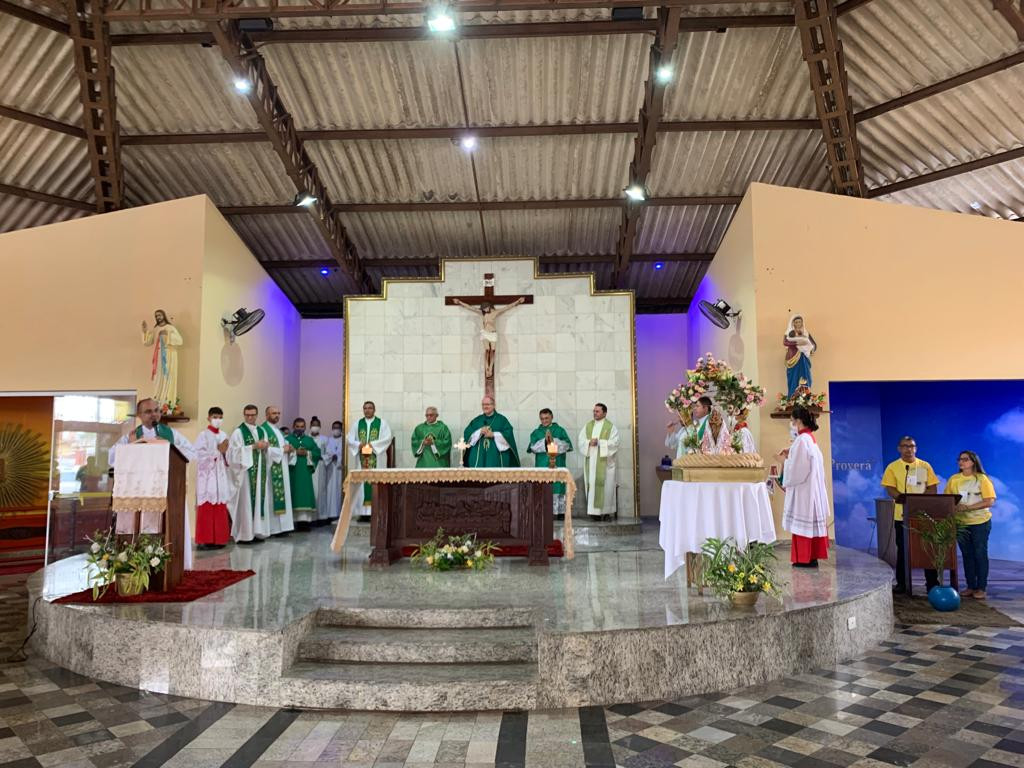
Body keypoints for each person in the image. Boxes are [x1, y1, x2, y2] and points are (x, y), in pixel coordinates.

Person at [108, 397, 196, 567]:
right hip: (141, 491)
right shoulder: (132, 436)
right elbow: (113, 457)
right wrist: (132, 446)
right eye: (148, 412)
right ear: (140, 415)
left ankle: (174, 563)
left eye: (156, 410)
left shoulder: (171, 434)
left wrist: (171, 447)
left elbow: (191, 452)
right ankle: (139, 564)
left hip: (168, 490)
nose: (153, 414)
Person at [881, 435, 939, 594]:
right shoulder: (893, 467)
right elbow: (890, 489)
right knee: (903, 551)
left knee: (927, 549)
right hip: (902, 517)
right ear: (899, 449)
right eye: (905, 446)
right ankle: (902, 584)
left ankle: (932, 584)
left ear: (916, 448)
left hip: (923, 516)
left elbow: (932, 488)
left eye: (912, 446)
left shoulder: (924, 466)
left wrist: (919, 502)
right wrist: (903, 499)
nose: (908, 449)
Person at [779, 405, 829, 567]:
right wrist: (790, 454)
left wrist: (785, 462)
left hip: (804, 491)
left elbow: (798, 469)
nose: (792, 424)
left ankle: (804, 558)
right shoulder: (809, 439)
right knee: (810, 524)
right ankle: (811, 556)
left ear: (799, 421)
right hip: (811, 489)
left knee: (802, 524)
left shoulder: (802, 440)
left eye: (792, 421)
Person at [944, 451, 996, 600]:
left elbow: (989, 501)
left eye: (965, 459)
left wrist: (967, 508)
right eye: (959, 459)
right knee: (967, 555)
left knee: (980, 554)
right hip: (961, 524)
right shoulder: (954, 479)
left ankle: (981, 587)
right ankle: (970, 586)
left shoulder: (981, 479)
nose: (961, 462)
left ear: (973, 462)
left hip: (980, 522)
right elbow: (948, 499)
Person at [453, 297, 526, 379]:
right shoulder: (482, 313)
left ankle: (490, 368)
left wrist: (518, 301)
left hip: (493, 334)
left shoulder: (495, 312)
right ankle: (486, 368)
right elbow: (470, 308)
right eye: (483, 309)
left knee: (493, 352)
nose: (484, 310)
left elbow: (507, 307)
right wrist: (459, 302)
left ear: (489, 306)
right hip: (484, 333)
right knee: (487, 350)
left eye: (485, 308)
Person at [228, 404, 270, 543]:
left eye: (253, 415)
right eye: (247, 415)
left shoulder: (262, 430)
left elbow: (265, 446)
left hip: (259, 472)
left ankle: (258, 532)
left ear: (257, 415)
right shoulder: (238, 432)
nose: (250, 417)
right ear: (244, 415)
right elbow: (233, 453)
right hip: (246, 472)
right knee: (246, 502)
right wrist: (253, 446)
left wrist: (265, 447)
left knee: (259, 500)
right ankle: (246, 534)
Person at [346, 401, 393, 518]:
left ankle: (376, 512)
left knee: (375, 484)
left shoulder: (382, 423)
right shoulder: (357, 424)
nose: (367, 410)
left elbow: (388, 438)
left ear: (374, 409)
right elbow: (349, 439)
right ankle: (363, 513)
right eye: (365, 408)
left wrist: (373, 445)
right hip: (362, 461)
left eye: (370, 408)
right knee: (362, 485)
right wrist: (358, 444)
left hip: (377, 459)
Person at [195, 406, 231, 548]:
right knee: (207, 506)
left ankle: (220, 539)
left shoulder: (224, 435)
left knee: (220, 505)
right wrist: (217, 452)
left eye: (220, 417)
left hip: (220, 475)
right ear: (209, 418)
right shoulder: (203, 435)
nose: (218, 420)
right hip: (207, 477)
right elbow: (198, 455)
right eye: (215, 417)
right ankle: (205, 540)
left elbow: (230, 457)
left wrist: (225, 453)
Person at [527, 409, 573, 518]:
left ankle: (560, 512)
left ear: (552, 417)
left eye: (546, 418)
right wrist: (545, 442)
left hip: (558, 464)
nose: (544, 421)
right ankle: (544, 512)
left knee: (558, 486)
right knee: (544, 486)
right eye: (542, 418)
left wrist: (554, 442)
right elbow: (533, 447)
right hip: (542, 464)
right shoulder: (536, 432)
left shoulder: (560, 430)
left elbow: (567, 445)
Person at [579, 403, 619, 519]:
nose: (595, 413)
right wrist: (588, 443)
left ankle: (606, 512)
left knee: (606, 487)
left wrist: (600, 443)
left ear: (604, 413)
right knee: (592, 486)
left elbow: (615, 443)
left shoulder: (610, 427)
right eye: (594, 411)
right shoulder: (588, 426)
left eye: (597, 411)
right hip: (591, 463)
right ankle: (594, 513)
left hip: (604, 464)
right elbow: (581, 441)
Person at [262, 406, 295, 536]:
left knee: (283, 496)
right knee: (271, 497)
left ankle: (283, 528)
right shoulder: (264, 430)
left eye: (278, 413)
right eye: (273, 413)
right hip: (272, 469)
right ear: (267, 415)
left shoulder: (277, 430)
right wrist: (283, 450)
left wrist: (290, 448)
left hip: (282, 467)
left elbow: (283, 445)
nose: (276, 415)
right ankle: (274, 528)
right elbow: (265, 449)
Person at [464, 396, 520, 467]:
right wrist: (479, 432)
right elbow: (467, 433)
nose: (485, 406)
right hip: (479, 458)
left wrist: (494, 434)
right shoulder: (477, 420)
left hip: (495, 457)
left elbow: (509, 435)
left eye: (487, 404)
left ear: (493, 405)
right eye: (483, 404)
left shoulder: (502, 420)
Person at [286, 417, 322, 528]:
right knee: (293, 494)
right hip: (292, 472)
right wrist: (295, 452)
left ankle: (304, 522)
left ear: (305, 427)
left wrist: (307, 452)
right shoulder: (287, 439)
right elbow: (283, 452)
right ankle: (291, 523)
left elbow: (317, 453)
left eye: (302, 427)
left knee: (305, 495)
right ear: (293, 427)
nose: (300, 429)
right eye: (297, 426)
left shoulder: (309, 440)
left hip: (305, 473)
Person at [784, 314, 816, 397]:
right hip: (793, 358)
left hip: (804, 358)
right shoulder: (789, 333)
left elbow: (814, 344)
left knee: (805, 376)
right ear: (793, 323)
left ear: (802, 323)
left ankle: (805, 396)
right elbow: (785, 342)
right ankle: (792, 396)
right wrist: (797, 343)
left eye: (799, 322)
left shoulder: (806, 333)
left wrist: (811, 349)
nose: (798, 324)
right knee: (793, 378)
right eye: (796, 322)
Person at [320, 421, 345, 521]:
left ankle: (339, 513)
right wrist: (330, 457)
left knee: (339, 491)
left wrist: (338, 458)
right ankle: (329, 515)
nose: (336, 429)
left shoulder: (344, 441)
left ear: (341, 429)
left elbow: (346, 455)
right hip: (329, 469)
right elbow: (323, 453)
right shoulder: (328, 440)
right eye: (334, 427)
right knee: (329, 492)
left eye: (338, 427)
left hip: (339, 470)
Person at [309, 417, 330, 524]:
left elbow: (329, 453)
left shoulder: (325, 439)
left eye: (317, 425)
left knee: (321, 491)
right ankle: (311, 518)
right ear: (310, 426)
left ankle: (321, 517)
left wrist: (323, 457)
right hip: (310, 466)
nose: (315, 427)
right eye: (313, 424)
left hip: (321, 467)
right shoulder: (307, 438)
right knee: (311, 490)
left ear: (320, 427)